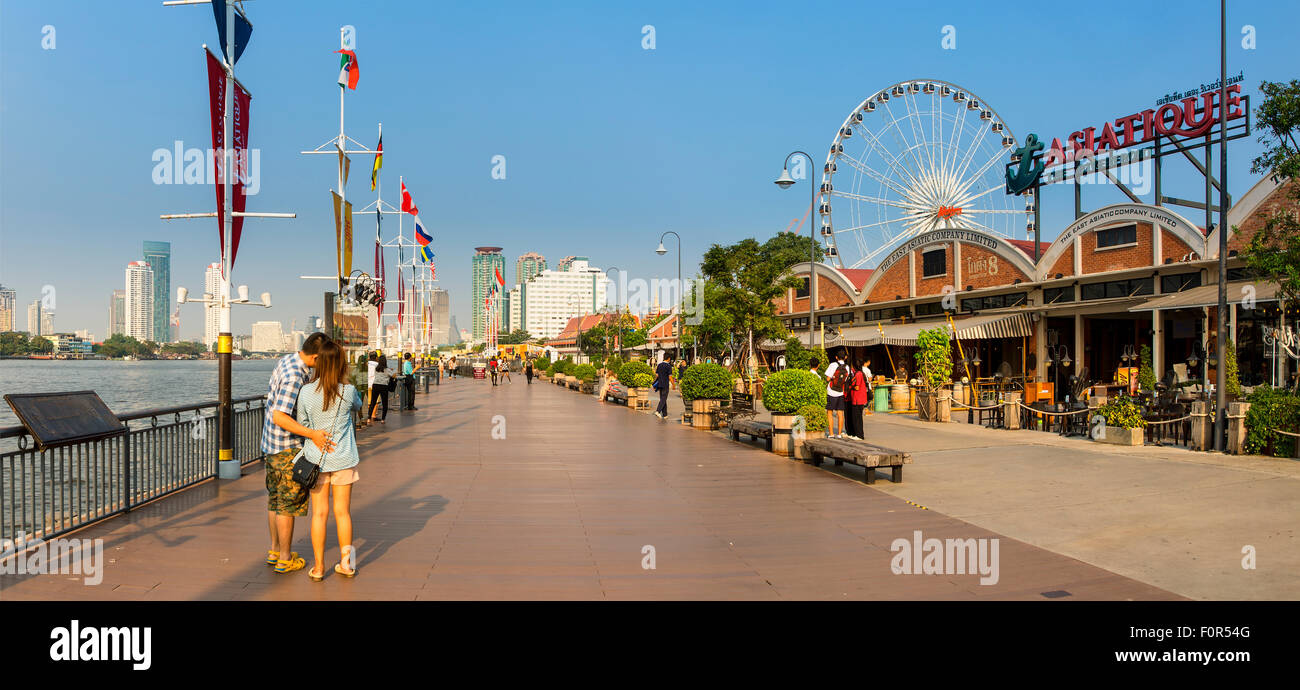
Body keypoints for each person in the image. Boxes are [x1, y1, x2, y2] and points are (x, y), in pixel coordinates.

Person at [260, 332, 336, 574]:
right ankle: (284, 558)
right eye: (322, 359)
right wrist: (312, 434)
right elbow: (280, 415)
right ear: (315, 356)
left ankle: (275, 550)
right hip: (286, 447)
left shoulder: (287, 361)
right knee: (287, 504)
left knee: (275, 499)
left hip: (270, 444)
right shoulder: (295, 376)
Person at [295, 340, 363, 581]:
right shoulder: (348, 391)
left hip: (315, 460)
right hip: (343, 458)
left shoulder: (305, 392)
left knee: (319, 515)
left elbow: (302, 424)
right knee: (342, 513)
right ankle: (345, 564)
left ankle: (319, 567)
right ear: (341, 364)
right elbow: (358, 406)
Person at [845, 357, 869, 440]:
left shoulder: (858, 374)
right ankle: (858, 434)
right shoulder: (860, 373)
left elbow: (857, 387)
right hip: (859, 399)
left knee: (857, 418)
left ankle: (859, 435)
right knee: (857, 417)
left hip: (857, 399)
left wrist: (850, 387)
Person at [825, 352, 847, 438]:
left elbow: (827, 378)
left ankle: (831, 434)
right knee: (840, 413)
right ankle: (839, 434)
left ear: (836, 357)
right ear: (845, 357)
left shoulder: (833, 365)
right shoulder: (847, 367)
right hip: (840, 392)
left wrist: (832, 378)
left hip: (831, 391)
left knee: (829, 412)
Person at [367, 354, 391, 423]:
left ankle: (368, 418)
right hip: (384, 386)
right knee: (384, 403)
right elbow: (393, 375)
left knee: (372, 402)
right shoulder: (387, 370)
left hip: (375, 385)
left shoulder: (376, 368)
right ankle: (383, 419)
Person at [653, 354, 674, 419]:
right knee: (663, 398)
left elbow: (656, 375)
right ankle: (658, 411)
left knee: (663, 398)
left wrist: (654, 383)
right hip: (665, 384)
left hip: (659, 384)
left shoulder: (659, 365)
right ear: (669, 358)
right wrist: (673, 384)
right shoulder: (668, 366)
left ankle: (665, 415)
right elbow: (670, 376)